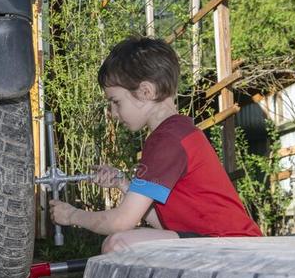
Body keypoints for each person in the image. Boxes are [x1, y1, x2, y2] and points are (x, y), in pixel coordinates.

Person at [49, 37, 262, 253]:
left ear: (146, 92)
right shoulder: (174, 134)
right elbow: (164, 225)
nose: (113, 113)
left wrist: (72, 215)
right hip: (218, 243)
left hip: (234, 248)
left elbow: (121, 222)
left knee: (119, 244)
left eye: (115, 101)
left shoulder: (168, 141)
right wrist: (122, 183)